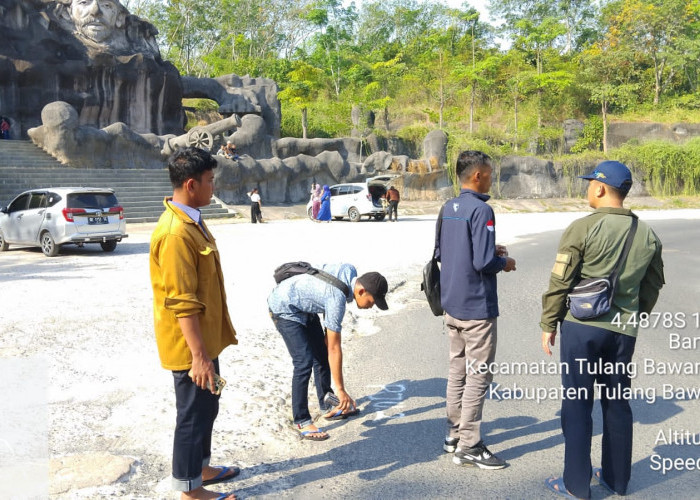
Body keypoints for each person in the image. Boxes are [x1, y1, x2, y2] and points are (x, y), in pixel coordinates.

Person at [540, 160, 664, 499]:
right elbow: (653, 285)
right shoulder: (647, 233)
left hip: (582, 328)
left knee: (578, 403)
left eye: (589, 184)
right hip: (623, 332)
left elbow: (560, 282)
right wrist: (632, 317)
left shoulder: (582, 227)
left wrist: (549, 322)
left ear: (599, 187)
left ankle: (577, 485)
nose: (587, 190)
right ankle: (617, 479)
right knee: (616, 402)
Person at [149, 147, 239, 500]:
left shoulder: (192, 219)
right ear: (191, 184)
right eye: (210, 181)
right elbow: (182, 301)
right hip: (190, 346)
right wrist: (198, 356)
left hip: (206, 340)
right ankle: (189, 490)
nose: (213, 187)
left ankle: (201, 467)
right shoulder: (174, 233)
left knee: (208, 405)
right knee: (191, 413)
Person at [435, 150, 517, 469]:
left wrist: (486, 250)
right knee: (478, 375)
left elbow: (443, 252)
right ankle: (469, 444)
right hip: (477, 309)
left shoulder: (448, 207)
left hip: (452, 304)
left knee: (457, 370)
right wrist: (504, 262)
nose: (493, 177)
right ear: (477, 175)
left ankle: (453, 434)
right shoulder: (483, 211)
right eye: (490, 172)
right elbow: (484, 262)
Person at [268, 265, 389, 440]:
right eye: (372, 301)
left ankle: (327, 404)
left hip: (305, 308)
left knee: (321, 355)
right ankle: (301, 419)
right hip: (284, 308)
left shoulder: (349, 272)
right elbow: (334, 347)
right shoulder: (336, 299)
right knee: (303, 362)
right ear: (361, 291)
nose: (372, 306)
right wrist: (341, 389)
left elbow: (328, 344)